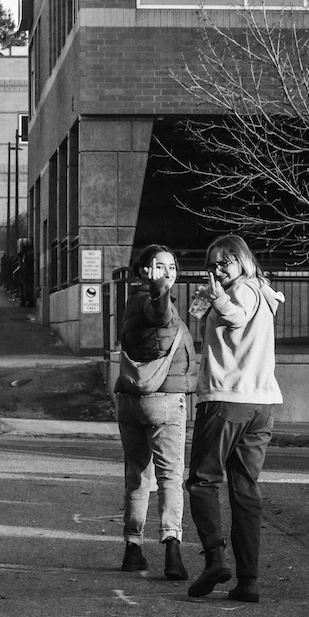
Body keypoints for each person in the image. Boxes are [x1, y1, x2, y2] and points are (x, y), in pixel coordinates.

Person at [186, 234, 284, 603]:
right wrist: (208, 303)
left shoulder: (239, 293)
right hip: (261, 404)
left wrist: (218, 299)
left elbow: (236, 317)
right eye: (212, 263)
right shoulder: (264, 291)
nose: (217, 269)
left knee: (203, 481)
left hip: (226, 400)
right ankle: (249, 580)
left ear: (243, 260)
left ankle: (214, 558)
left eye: (225, 262)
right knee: (244, 490)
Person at [114, 244, 196, 579]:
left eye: (172, 267)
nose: (168, 273)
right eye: (159, 267)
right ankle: (172, 549)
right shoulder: (151, 302)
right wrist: (160, 289)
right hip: (163, 402)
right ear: (144, 271)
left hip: (131, 401)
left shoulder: (130, 304)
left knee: (137, 476)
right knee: (170, 477)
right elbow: (160, 312)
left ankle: (133, 548)